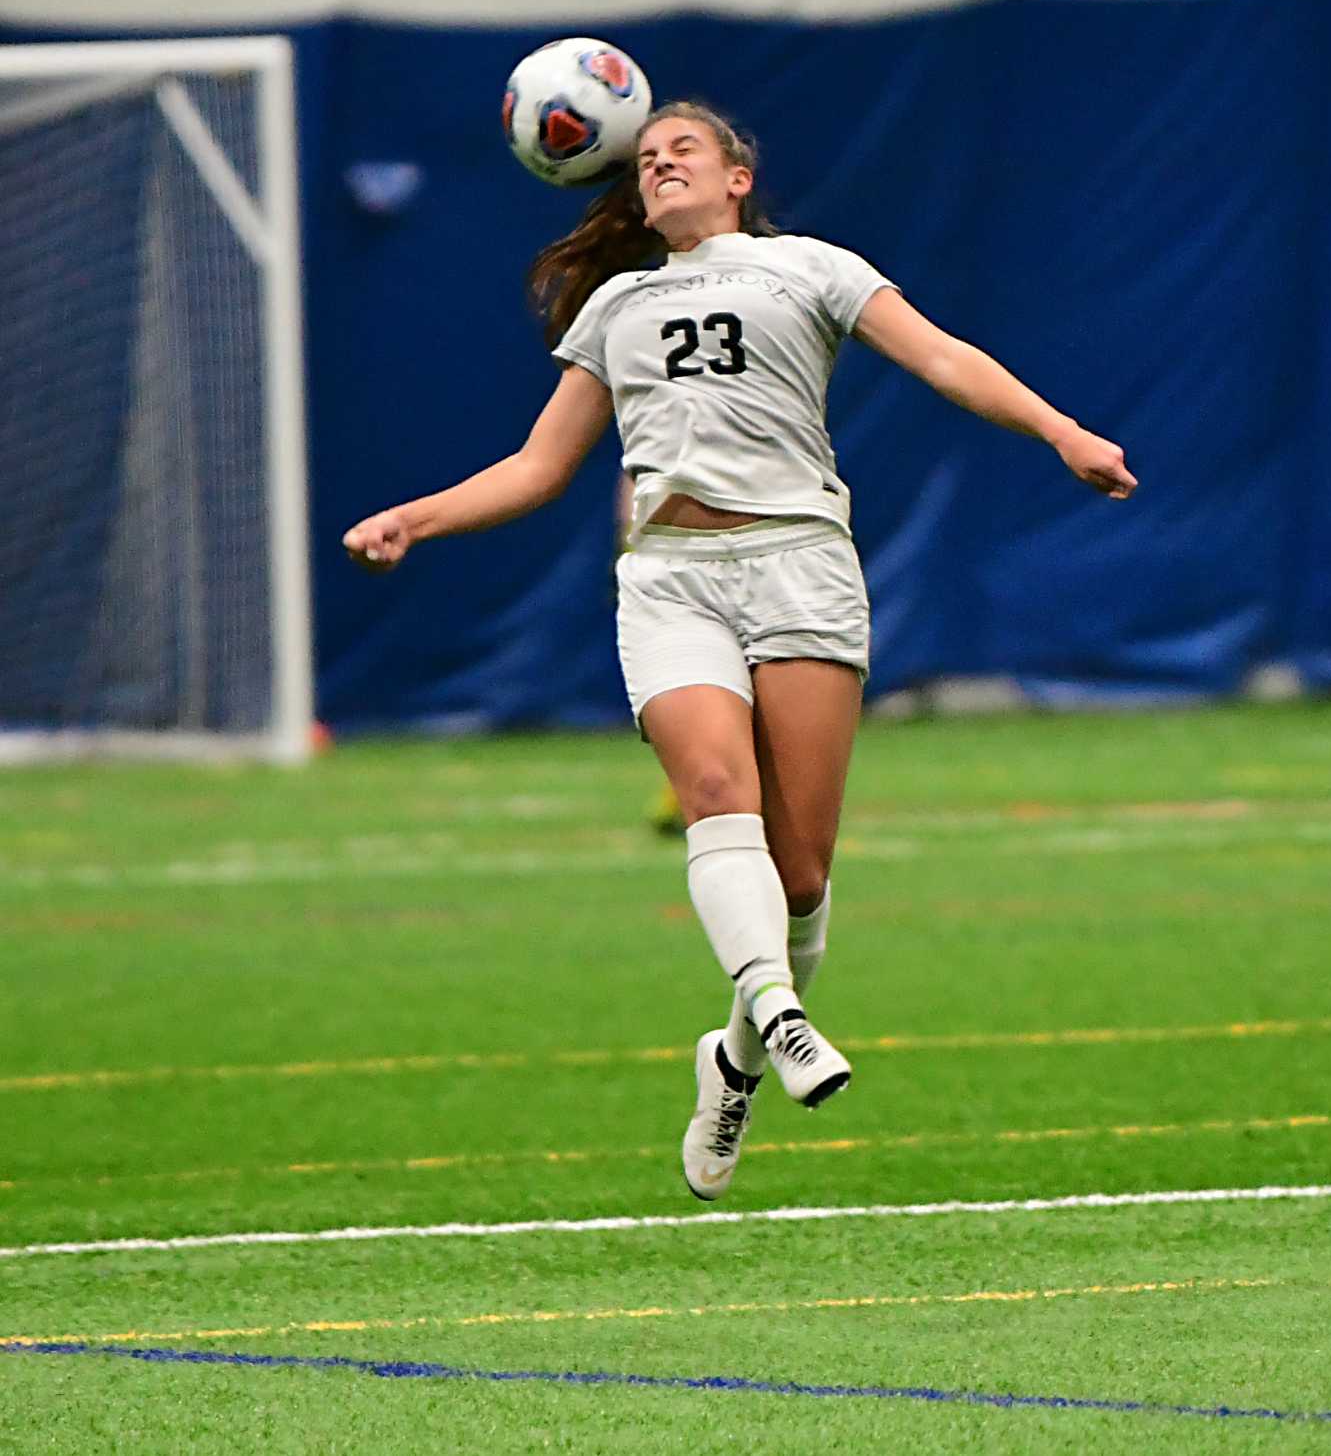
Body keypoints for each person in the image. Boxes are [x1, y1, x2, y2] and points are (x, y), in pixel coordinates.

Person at [343, 100, 1136, 1203]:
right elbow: (537, 465)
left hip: (800, 562)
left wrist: (1061, 431)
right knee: (717, 790)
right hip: (671, 577)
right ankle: (778, 1009)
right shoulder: (618, 301)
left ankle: (733, 1060)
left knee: (800, 869)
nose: (660, 165)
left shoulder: (807, 267)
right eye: (647, 158)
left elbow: (943, 356)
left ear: (736, 176)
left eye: (683, 152)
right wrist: (413, 519)